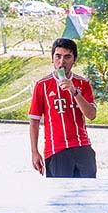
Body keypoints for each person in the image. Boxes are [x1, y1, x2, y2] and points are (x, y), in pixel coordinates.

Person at [28, 38, 98, 177]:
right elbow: (34, 121)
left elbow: (91, 115)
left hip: (82, 147)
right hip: (56, 150)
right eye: (58, 56)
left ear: (74, 59)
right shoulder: (42, 85)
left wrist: (74, 91)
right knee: (61, 191)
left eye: (67, 57)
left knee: (87, 190)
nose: (62, 62)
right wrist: (34, 152)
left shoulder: (83, 83)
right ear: (52, 58)